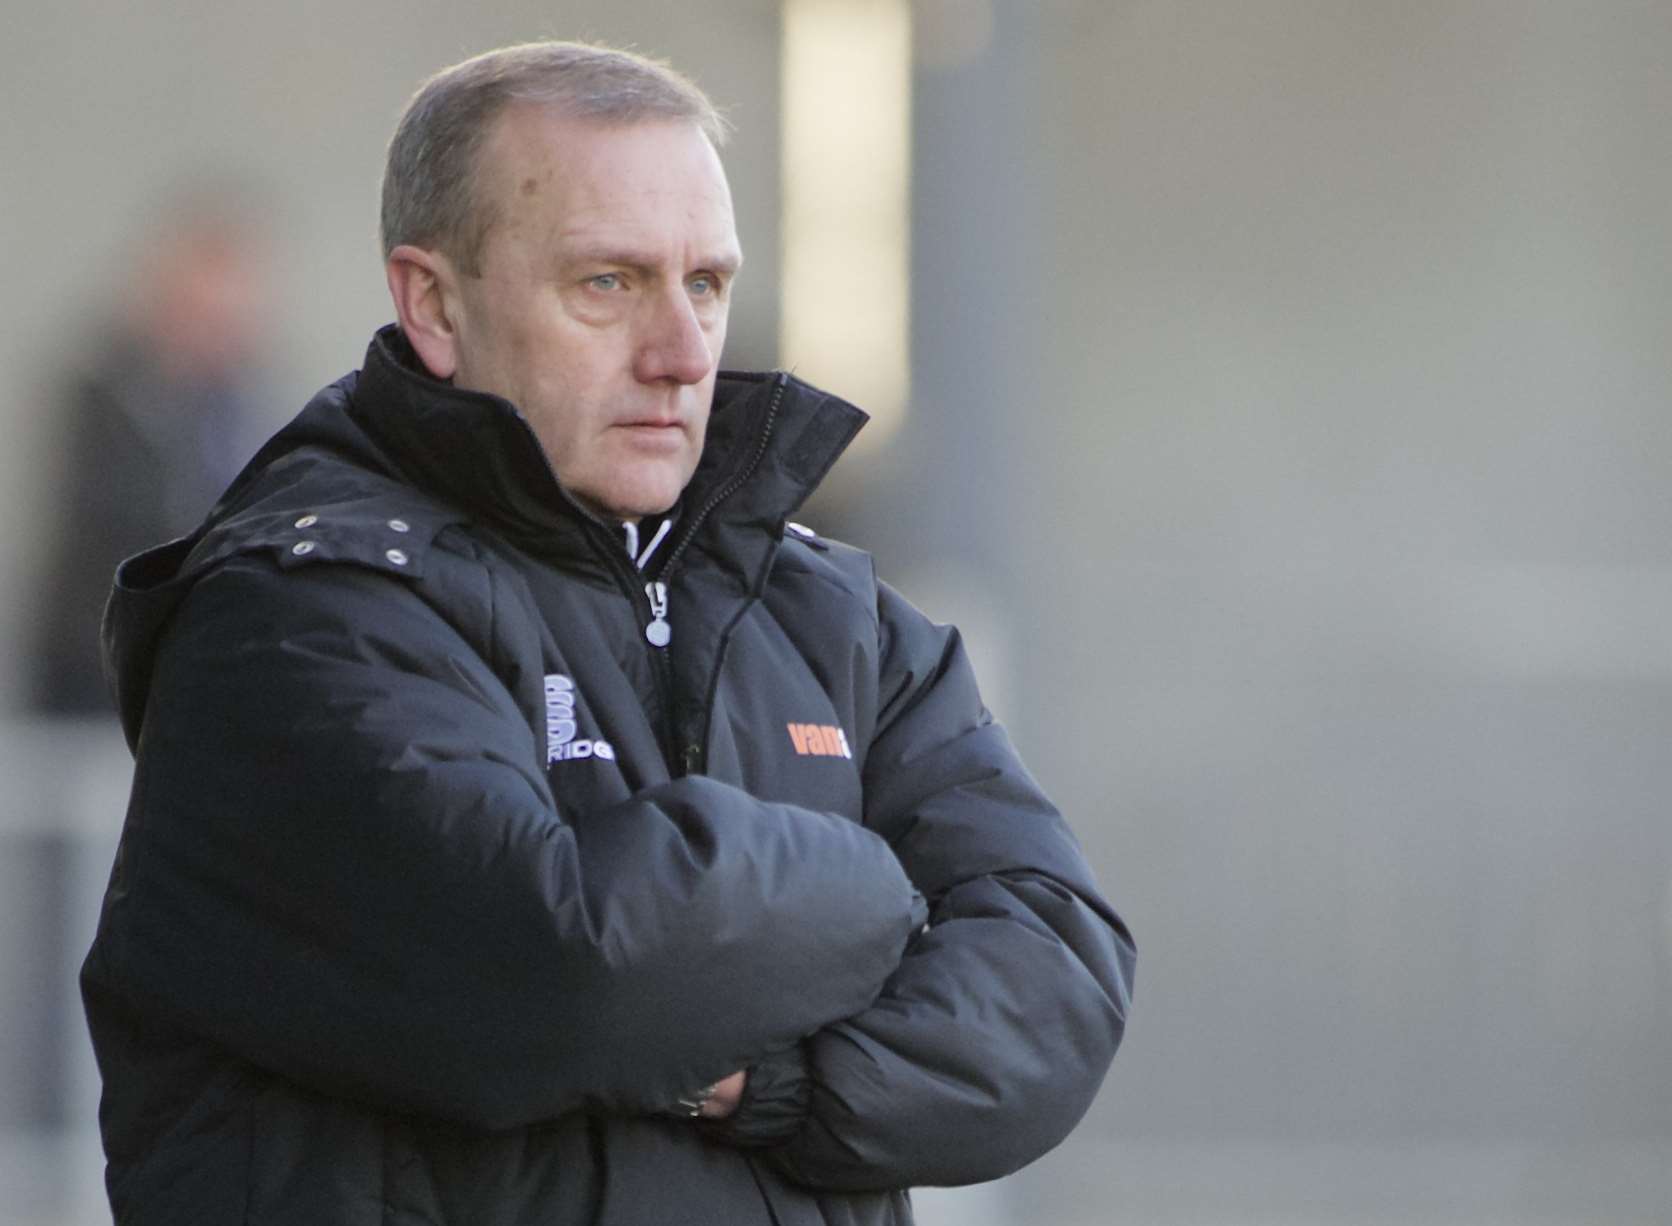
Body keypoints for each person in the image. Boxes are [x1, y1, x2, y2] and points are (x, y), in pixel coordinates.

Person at [80, 41, 1135, 1226]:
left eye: (706, 284)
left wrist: (782, 1078)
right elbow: (562, 968)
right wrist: (881, 886)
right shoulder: (296, 611)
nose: (684, 352)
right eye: (609, 282)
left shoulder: (834, 615)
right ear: (434, 302)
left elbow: (1060, 978)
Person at [29, 184, 272, 714]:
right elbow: (129, 526)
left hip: (199, 670)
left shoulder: (242, 409)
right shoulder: (109, 395)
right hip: (102, 671)